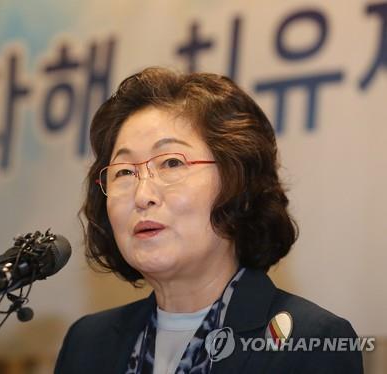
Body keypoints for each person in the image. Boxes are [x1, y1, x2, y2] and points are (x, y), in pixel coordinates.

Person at [54, 67, 363, 373]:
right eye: (124, 172)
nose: (142, 194)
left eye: (172, 163)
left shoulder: (311, 343)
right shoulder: (87, 344)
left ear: (237, 183)